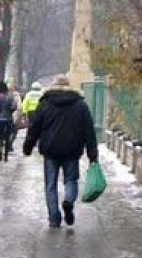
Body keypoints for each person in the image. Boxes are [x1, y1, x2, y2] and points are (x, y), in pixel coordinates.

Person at [22, 74, 99, 228]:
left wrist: (28, 146)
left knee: (50, 185)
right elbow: (89, 131)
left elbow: (34, 127)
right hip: (72, 150)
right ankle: (68, 201)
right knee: (71, 180)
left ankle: (54, 218)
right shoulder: (80, 105)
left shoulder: (45, 104)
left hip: (50, 150)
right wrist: (92, 154)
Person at [0, 81, 16, 162]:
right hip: (8, 119)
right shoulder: (10, 97)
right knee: (7, 137)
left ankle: (0, 152)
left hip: (0, 119)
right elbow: (14, 107)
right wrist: (10, 112)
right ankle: (6, 156)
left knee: (1, 136)